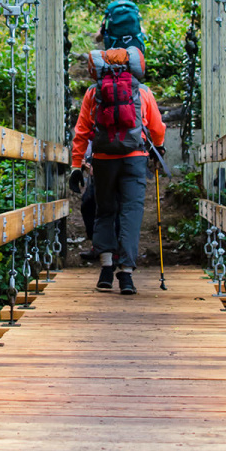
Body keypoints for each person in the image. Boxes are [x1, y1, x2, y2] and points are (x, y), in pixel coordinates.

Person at [68, 16, 165, 295]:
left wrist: (77, 165)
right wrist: (157, 150)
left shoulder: (93, 92)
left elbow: (82, 131)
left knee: (104, 211)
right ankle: (127, 276)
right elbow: (157, 128)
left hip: (103, 160)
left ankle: (106, 270)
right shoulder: (142, 92)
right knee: (131, 213)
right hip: (134, 158)